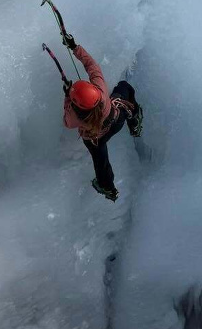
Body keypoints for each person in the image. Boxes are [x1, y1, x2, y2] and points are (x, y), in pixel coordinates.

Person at [51, 14, 143, 203]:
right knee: (125, 89)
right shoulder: (100, 92)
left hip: (94, 139)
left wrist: (67, 97)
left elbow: (67, 121)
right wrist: (74, 47)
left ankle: (108, 188)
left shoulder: (75, 117)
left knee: (100, 162)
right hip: (115, 120)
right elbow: (92, 66)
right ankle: (134, 123)